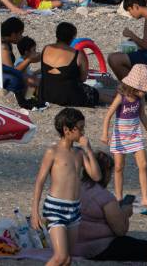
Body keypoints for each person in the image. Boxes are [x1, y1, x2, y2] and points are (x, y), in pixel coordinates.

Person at [77, 150, 147, 262]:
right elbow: (120, 231)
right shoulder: (104, 197)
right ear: (106, 173)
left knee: (138, 245)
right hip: (99, 247)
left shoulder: (75, 188)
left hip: (75, 246)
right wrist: (125, 213)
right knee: (143, 247)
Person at [31, 107, 99, 266]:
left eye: (83, 128)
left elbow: (96, 176)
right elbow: (40, 181)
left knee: (68, 258)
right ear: (67, 130)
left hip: (74, 209)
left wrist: (88, 150)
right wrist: (34, 212)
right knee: (60, 257)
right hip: (55, 208)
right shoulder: (52, 152)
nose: (83, 132)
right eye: (80, 128)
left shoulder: (80, 153)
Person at [100, 64, 147, 209]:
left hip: (135, 133)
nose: (144, 92)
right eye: (142, 89)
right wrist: (105, 134)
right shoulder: (121, 97)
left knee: (143, 165)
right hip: (120, 134)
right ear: (134, 86)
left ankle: (145, 198)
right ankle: (118, 197)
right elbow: (108, 115)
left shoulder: (140, 98)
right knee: (118, 167)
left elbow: (142, 114)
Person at [41, 22, 104, 107]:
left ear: (57, 35)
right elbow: (83, 78)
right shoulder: (78, 54)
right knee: (96, 93)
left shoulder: (46, 48)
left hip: (46, 94)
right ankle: (119, 101)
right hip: (69, 96)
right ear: (73, 37)